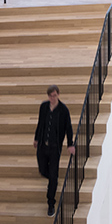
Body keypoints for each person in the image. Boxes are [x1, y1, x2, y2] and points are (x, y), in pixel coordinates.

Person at [33, 85, 75, 217]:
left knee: (53, 176)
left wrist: (70, 144)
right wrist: (36, 138)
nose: (53, 98)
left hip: (54, 148)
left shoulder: (63, 110)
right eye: (51, 96)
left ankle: (51, 203)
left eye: (55, 95)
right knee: (42, 170)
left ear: (58, 95)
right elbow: (40, 123)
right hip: (42, 146)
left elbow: (68, 128)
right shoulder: (44, 107)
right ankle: (53, 180)